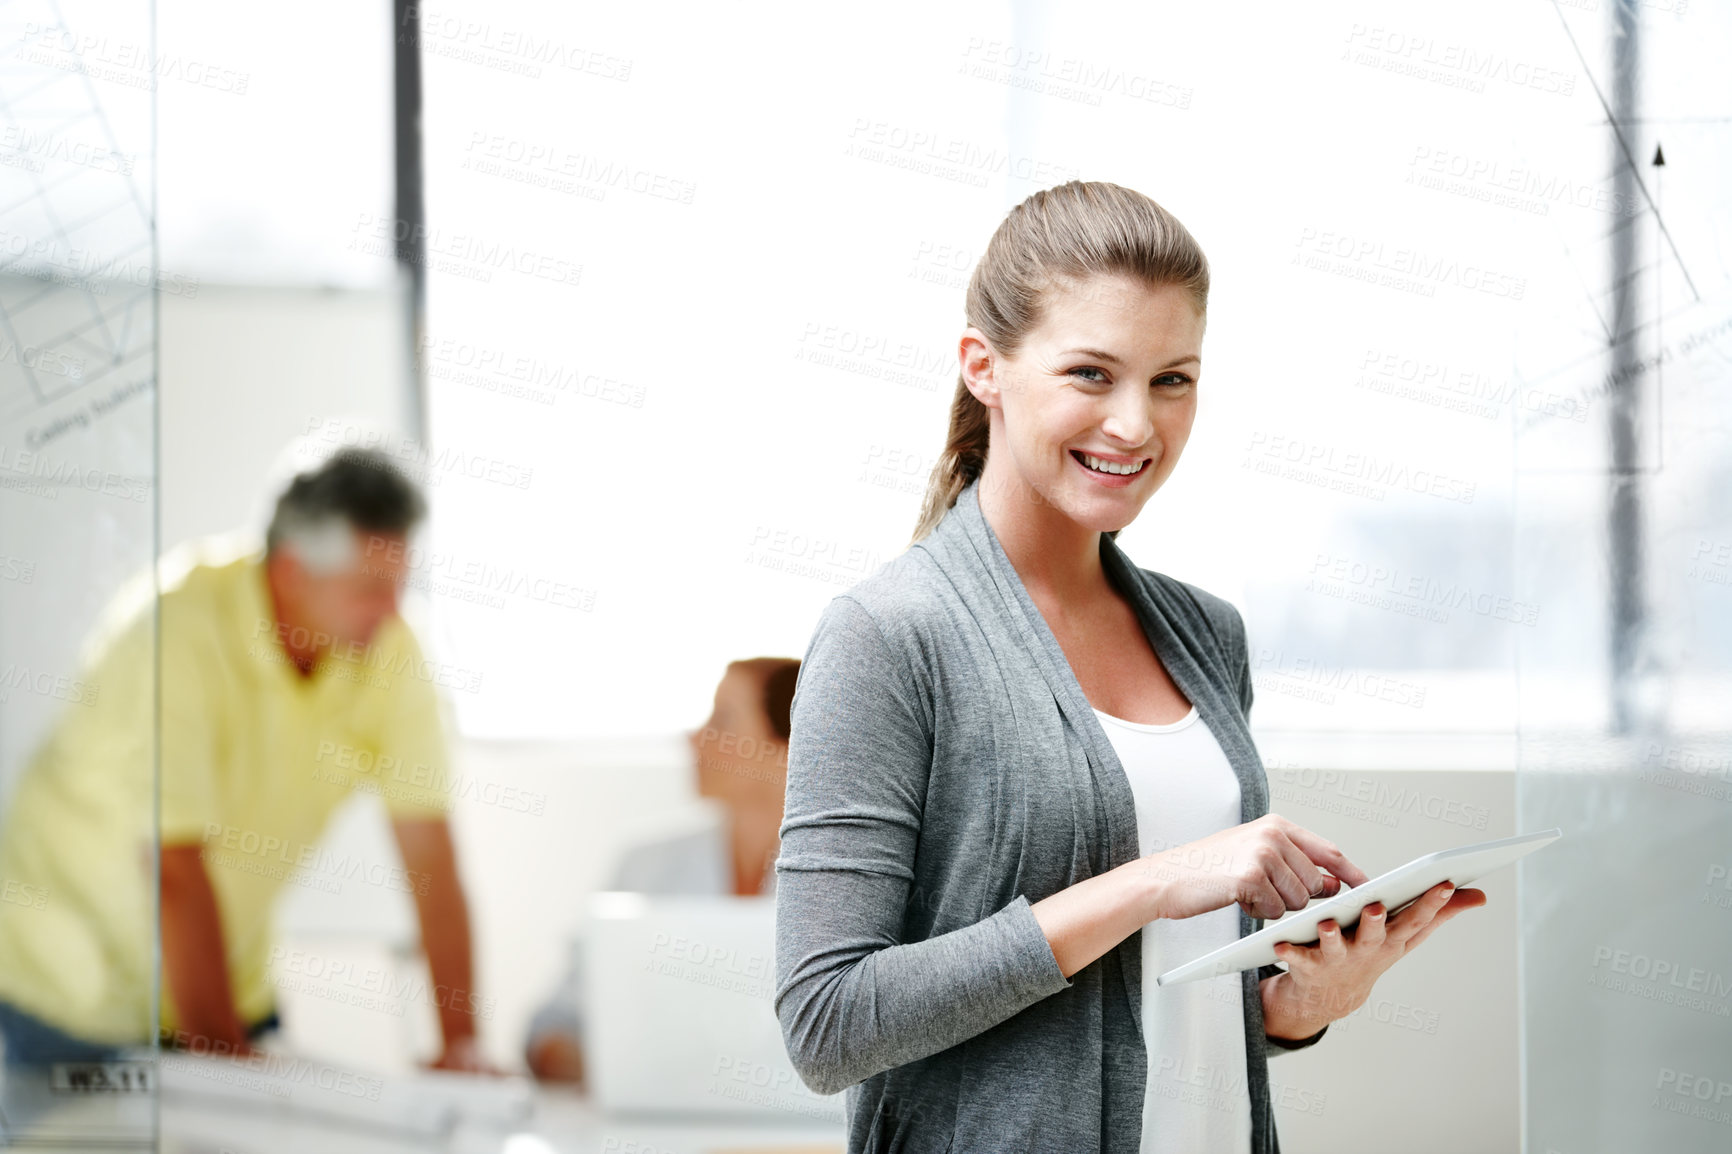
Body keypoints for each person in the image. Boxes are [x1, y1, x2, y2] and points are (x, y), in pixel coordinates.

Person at [772, 181, 1487, 1153]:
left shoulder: (1204, 634)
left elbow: (1157, 998)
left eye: (1171, 379)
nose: (1136, 425)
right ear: (984, 365)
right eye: (1089, 373)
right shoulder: (889, 636)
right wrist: (1150, 882)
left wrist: (1298, 1003)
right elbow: (828, 1022)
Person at [0, 447, 489, 1071]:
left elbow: (431, 860)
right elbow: (175, 865)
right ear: (290, 572)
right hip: (72, 994)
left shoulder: (391, 647)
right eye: (370, 588)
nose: (392, 612)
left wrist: (461, 1047)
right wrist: (228, 1063)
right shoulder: (174, 629)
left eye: (400, 585)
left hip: (226, 984)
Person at [523, 656, 799, 1087]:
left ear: (787, 747)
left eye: (722, 721)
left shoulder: (847, 881)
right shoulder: (643, 867)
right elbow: (552, 1026)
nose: (694, 739)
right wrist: (622, 1072)